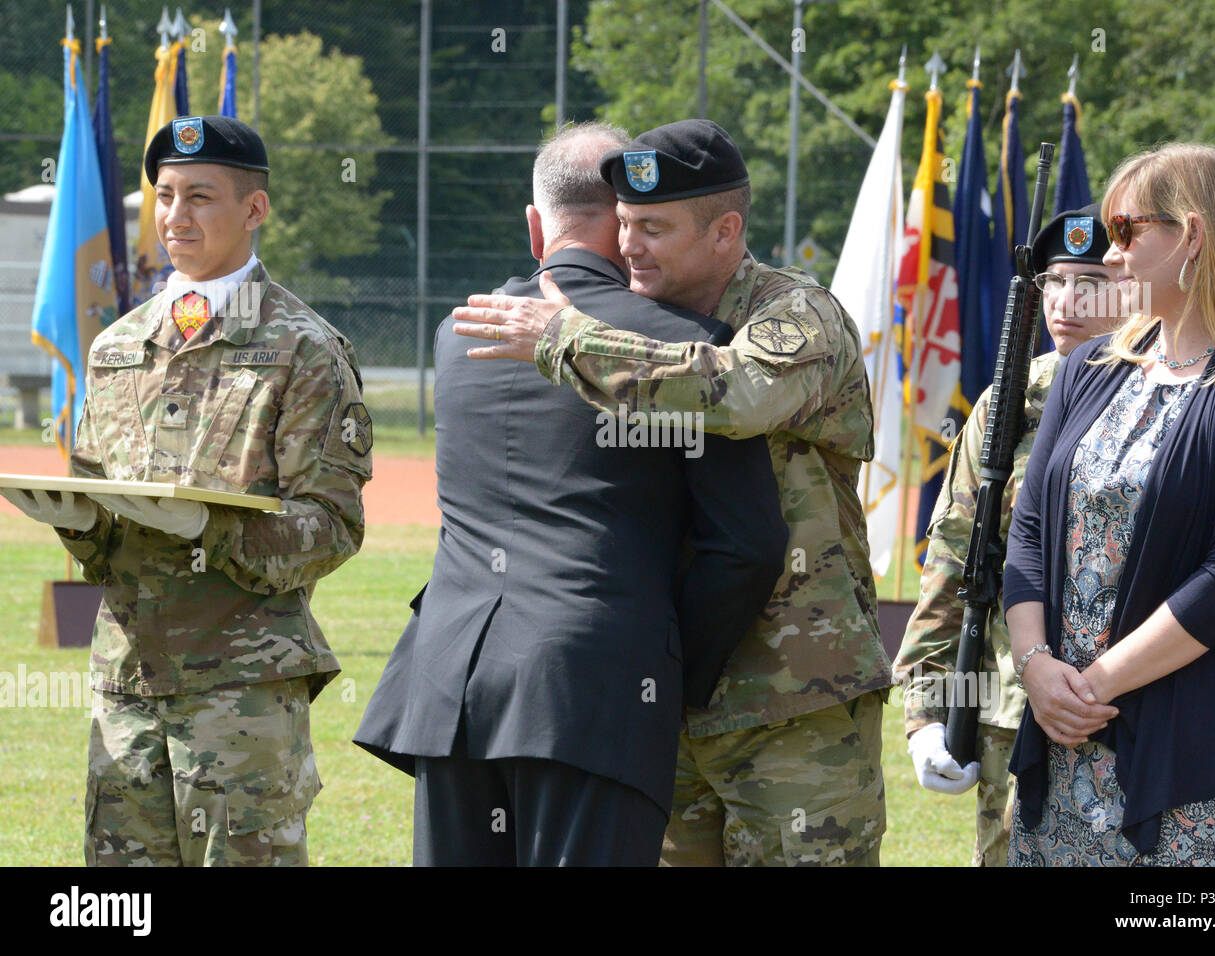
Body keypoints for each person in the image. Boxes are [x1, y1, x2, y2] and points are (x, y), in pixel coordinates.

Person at [452, 119, 889, 866]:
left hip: (795, 698)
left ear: (726, 231)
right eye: (622, 224)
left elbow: (736, 393)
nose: (627, 246)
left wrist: (567, 339)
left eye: (653, 227)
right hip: (671, 691)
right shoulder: (629, 320)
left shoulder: (796, 314)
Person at [353, 122, 787, 866]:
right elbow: (745, 545)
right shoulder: (679, 346)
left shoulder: (457, 334)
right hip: (594, 690)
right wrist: (669, 660)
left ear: (535, 226)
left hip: (453, 679)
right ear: (624, 228)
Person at [0, 115, 370, 865]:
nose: (175, 216)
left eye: (200, 196)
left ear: (254, 210)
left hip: (241, 691)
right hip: (127, 683)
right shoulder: (117, 348)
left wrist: (208, 526)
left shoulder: (303, 346)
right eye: (165, 196)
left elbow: (332, 526)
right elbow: (103, 531)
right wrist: (70, 519)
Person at [1002, 142, 1215, 866]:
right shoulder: (1086, 370)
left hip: (1195, 756)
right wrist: (1037, 668)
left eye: (1128, 232)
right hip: (1064, 735)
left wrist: (1090, 687)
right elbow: (1031, 530)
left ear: (1193, 235)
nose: (1110, 256)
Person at [895, 204, 1127, 866]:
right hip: (1012, 708)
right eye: (1054, 282)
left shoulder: (1177, 395)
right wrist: (924, 712)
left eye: (1090, 283)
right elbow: (953, 557)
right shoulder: (1009, 404)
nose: (1066, 302)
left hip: (1131, 705)